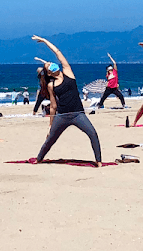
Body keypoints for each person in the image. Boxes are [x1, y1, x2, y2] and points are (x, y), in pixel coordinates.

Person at [31, 36, 103, 165]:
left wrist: (45, 41)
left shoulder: (68, 72)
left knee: (92, 133)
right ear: (48, 73)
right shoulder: (51, 85)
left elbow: (58, 53)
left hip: (78, 114)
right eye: (49, 67)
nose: (52, 65)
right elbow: (53, 106)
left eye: (51, 63)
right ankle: (38, 159)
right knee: (50, 139)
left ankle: (98, 161)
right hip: (62, 115)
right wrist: (50, 125)